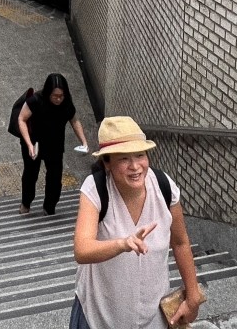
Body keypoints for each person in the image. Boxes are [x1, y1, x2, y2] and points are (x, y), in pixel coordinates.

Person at [71, 116, 203, 329]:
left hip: (153, 316)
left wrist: (193, 295)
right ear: (107, 163)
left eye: (140, 155)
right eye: (123, 158)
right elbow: (82, 249)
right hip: (99, 314)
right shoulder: (96, 188)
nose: (135, 166)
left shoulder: (164, 186)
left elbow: (180, 242)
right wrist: (122, 244)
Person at [17, 72, 88, 215]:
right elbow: (21, 119)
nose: (58, 99)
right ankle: (26, 203)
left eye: (61, 96)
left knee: (55, 179)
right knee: (31, 175)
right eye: (55, 96)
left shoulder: (66, 103)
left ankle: (49, 207)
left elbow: (74, 120)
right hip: (34, 144)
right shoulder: (36, 100)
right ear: (48, 92)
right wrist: (29, 144)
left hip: (55, 144)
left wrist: (84, 142)